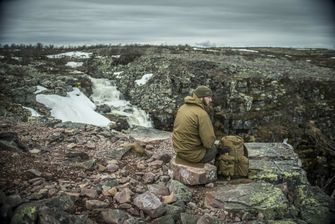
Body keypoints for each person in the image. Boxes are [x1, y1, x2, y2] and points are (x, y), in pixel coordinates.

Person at [172, 85, 218, 163]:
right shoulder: (201, 114)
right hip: (193, 156)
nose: (211, 100)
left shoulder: (182, 107)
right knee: (214, 149)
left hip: (179, 151)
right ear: (201, 98)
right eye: (208, 97)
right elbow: (208, 143)